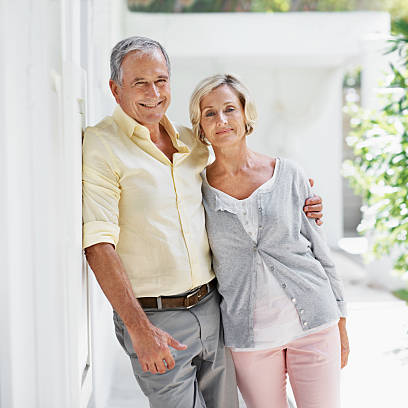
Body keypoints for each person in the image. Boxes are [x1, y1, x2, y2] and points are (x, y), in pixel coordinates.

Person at [82, 37, 323, 408]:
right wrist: (139, 328)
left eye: (161, 80)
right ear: (115, 89)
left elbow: (238, 178)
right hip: (155, 319)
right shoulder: (102, 145)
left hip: (214, 309)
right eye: (139, 83)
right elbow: (98, 244)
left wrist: (300, 201)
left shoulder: (190, 143)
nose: (153, 92)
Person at [191, 74, 349, 408]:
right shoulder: (196, 191)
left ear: (246, 114)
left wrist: (342, 320)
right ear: (200, 125)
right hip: (250, 339)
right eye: (210, 113)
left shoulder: (288, 174)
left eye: (230, 109)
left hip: (315, 325)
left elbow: (321, 252)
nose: (221, 120)